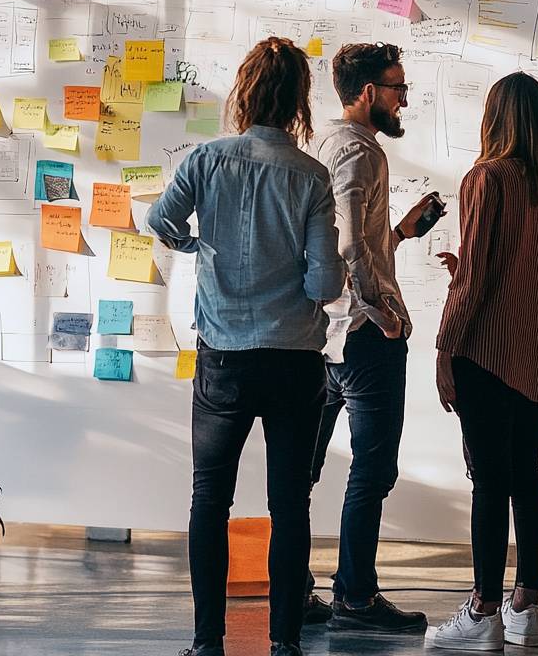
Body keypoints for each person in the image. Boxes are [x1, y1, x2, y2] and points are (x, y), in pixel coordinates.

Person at [146, 37, 346, 656]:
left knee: (210, 498)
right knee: (290, 504)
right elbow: (325, 282)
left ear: (245, 94)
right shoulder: (312, 176)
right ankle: (284, 643)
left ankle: (209, 643)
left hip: (224, 359)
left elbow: (160, 221)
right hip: (294, 361)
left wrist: (198, 248)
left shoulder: (206, 161)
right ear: (299, 102)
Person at [428, 72, 538, 652]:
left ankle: (482, 611)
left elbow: (472, 279)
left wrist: (444, 349)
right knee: (527, 476)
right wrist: (527, 285)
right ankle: (526, 608)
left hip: (485, 355)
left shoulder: (485, 179)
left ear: (494, 116)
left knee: (488, 483)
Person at [306, 42, 441, 634]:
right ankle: (355, 598)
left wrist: (404, 232)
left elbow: (356, 236)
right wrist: (383, 311)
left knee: (303, 469)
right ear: (366, 93)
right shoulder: (361, 152)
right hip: (362, 337)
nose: (402, 98)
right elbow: (346, 249)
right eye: (396, 88)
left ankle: (296, 587)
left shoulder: (325, 147)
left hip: (323, 338)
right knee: (372, 470)